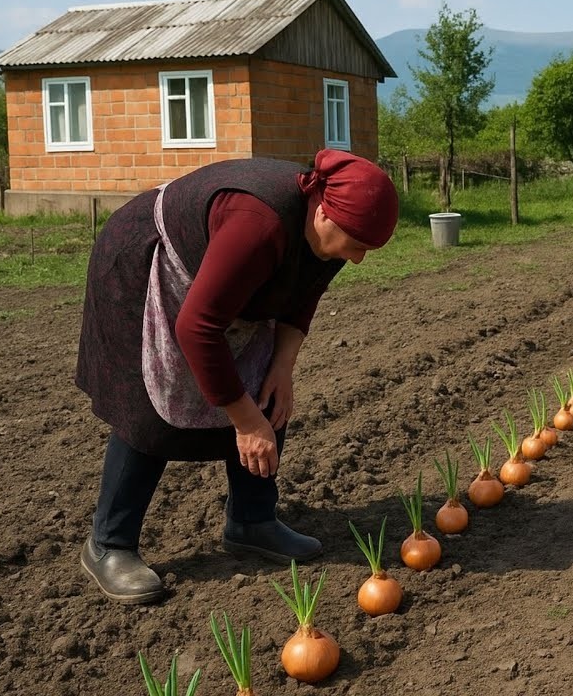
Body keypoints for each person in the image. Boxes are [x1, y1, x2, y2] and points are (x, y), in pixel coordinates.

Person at [75, 149, 399, 604]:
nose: (359, 258)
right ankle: (109, 544)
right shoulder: (258, 225)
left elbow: (303, 294)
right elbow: (197, 327)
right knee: (148, 405)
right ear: (323, 212)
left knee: (265, 384)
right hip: (145, 262)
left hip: (216, 281)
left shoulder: (334, 229)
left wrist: (282, 369)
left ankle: (252, 520)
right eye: (356, 244)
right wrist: (245, 422)